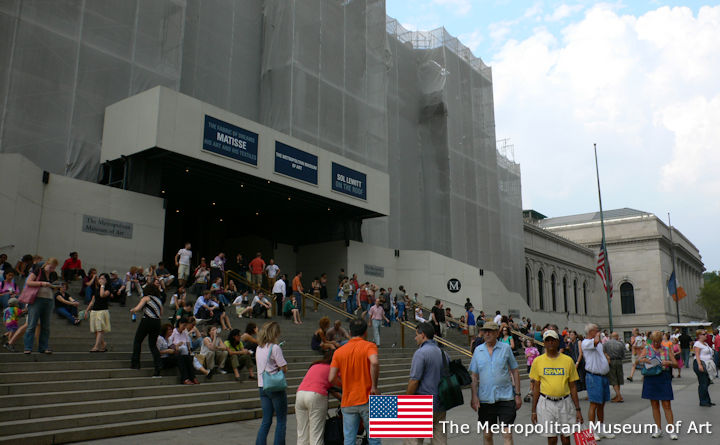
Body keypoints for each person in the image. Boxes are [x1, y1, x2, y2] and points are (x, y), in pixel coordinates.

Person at [328, 318, 380, 445]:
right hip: (368, 398)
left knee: (349, 439)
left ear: (350, 332)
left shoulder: (339, 352)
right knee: (374, 439)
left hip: (348, 400)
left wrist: (343, 385)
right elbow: (374, 362)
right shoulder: (369, 346)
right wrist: (374, 386)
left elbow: (331, 378)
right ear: (365, 333)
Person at [469, 321, 522, 445]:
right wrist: (474, 396)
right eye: (484, 331)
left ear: (497, 333)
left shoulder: (506, 348)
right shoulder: (478, 350)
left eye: (490, 331)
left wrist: (518, 394)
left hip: (506, 397)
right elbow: (474, 375)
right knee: (487, 435)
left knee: (507, 433)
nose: (487, 334)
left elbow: (515, 371)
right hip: (485, 399)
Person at [529, 329, 583, 445]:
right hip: (546, 403)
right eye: (547, 341)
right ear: (544, 343)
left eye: (553, 340)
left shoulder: (567, 361)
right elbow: (536, 387)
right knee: (552, 438)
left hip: (565, 402)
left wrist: (578, 409)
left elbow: (572, 386)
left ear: (558, 342)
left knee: (566, 437)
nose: (550, 343)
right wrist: (533, 411)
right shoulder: (538, 361)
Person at [405, 322, 448, 445]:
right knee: (440, 438)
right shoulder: (444, 354)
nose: (415, 338)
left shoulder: (420, 353)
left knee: (414, 440)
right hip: (441, 403)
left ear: (423, 335)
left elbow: (414, 381)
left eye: (416, 335)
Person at [638, 331, 679, 439]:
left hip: (663, 377)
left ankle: (671, 430)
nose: (656, 344)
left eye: (658, 341)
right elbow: (639, 360)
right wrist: (646, 360)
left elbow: (676, 364)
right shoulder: (647, 348)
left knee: (667, 404)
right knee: (654, 404)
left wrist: (668, 363)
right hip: (651, 378)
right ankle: (658, 428)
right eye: (654, 341)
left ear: (661, 340)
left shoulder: (666, 349)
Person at [296, 351, 341, 445]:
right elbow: (337, 386)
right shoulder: (333, 369)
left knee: (302, 434)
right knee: (316, 434)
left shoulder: (315, 365)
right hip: (316, 396)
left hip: (300, 394)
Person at [255, 321, 288, 445]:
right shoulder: (275, 348)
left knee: (266, 420)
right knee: (281, 420)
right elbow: (284, 367)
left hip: (262, 386)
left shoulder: (259, 348)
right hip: (275, 387)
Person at [581, 323, 614, 440]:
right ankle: (591, 430)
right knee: (594, 403)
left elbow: (599, 349)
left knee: (602, 403)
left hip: (603, 375)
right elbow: (594, 343)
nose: (599, 332)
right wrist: (597, 336)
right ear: (591, 332)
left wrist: (606, 359)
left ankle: (601, 428)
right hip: (593, 376)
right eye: (597, 330)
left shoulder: (598, 343)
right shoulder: (586, 342)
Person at [23, 258, 59, 354]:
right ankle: (28, 347)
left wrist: (54, 286)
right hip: (36, 300)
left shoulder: (53, 274)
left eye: (54, 268)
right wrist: (43, 283)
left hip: (49, 300)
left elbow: (52, 286)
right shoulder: (38, 270)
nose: (52, 269)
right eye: (51, 267)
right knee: (32, 324)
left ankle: (43, 347)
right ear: (46, 264)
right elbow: (28, 282)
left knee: (46, 326)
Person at [129, 283, 163, 376]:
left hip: (147, 320)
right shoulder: (159, 300)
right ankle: (158, 365)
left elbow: (138, 308)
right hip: (157, 322)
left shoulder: (146, 298)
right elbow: (161, 312)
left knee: (138, 341)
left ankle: (135, 363)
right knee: (152, 345)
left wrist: (133, 310)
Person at [86, 274, 111, 353]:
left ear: (106, 280)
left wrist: (102, 286)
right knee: (96, 330)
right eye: (100, 278)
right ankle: (103, 344)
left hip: (102, 311)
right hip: (94, 311)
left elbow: (102, 295)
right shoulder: (97, 289)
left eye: (102, 278)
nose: (100, 280)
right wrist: (87, 310)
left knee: (100, 330)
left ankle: (96, 346)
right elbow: (93, 300)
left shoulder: (108, 289)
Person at [693, 329, 715, 407]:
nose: (706, 335)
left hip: (707, 364)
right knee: (703, 383)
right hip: (701, 363)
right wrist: (699, 365)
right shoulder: (697, 344)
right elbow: (697, 355)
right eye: (704, 334)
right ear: (699, 336)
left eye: (706, 333)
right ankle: (703, 401)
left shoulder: (705, 343)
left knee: (706, 382)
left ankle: (707, 400)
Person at [604, 332, 626, 403]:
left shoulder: (606, 344)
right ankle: (618, 395)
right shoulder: (621, 344)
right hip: (619, 361)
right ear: (616, 336)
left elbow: (604, 352)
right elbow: (623, 354)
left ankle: (619, 395)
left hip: (611, 361)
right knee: (618, 378)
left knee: (613, 379)